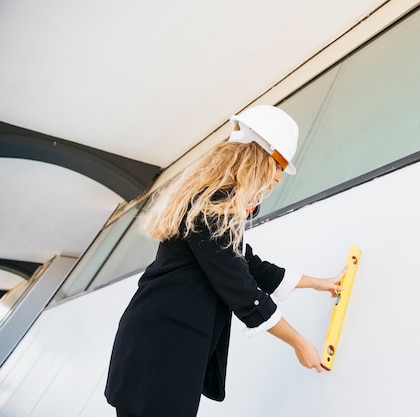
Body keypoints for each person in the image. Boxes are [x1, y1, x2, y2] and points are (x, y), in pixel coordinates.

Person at [104, 105, 345, 417]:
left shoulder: (215, 205)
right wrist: (299, 342)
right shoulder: (212, 206)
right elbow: (240, 288)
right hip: (160, 348)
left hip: (160, 343)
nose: (278, 178)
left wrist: (317, 283)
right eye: (279, 166)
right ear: (257, 159)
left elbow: (249, 265)